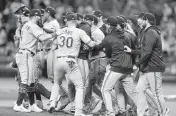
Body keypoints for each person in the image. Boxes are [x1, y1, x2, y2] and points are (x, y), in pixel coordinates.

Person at [48, 13, 96, 116]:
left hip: (59, 59)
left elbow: (54, 45)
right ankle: (78, 111)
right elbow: (91, 44)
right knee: (79, 86)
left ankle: (52, 102)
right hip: (70, 61)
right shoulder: (79, 31)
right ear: (76, 21)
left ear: (67, 21)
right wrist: (94, 43)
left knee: (56, 83)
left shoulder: (61, 31)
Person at [124, 13, 170, 116]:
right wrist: (132, 51)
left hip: (153, 67)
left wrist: (136, 63)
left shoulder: (151, 32)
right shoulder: (147, 32)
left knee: (156, 92)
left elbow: (147, 52)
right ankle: (142, 113)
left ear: (146, 20)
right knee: (140, 90)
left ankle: (163, 112)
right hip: (147, 67)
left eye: (140, 19)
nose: (138, 21)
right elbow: (143, 50)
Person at [13, 9, 58, 113]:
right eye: (39, 16)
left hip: (28, 54)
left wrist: (53, 32)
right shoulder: (32, 25)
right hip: (26, 54)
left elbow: (43, 31)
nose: (40, 17)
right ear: (36, 16)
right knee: (25, 81)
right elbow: (42, 38)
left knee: (32, 81)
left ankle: (32, 104)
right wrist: (56, 34)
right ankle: (18, 104)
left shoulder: (29, 25)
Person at [93, 16, 134, 116]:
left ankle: (110, 112)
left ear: (109, 25)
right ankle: (142, 111)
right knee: (131, 92)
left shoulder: (110, 37)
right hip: (128, 67)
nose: (105, 25)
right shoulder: (128, 35)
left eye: (107, 24)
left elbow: (101, 49)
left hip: (116, 67)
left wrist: (91, 44)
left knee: (104, 90)